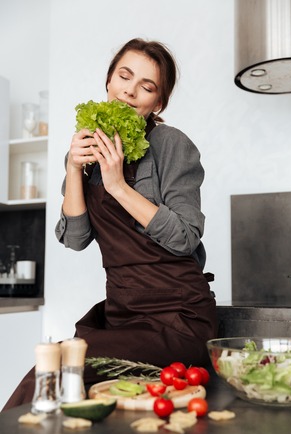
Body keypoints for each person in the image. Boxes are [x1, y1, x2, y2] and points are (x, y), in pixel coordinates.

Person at [2, 38, 217, 410]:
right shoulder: (87, 150)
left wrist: (117, 185)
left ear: (158, 103)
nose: (131, 91)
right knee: (64, 379)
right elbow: (75, 237)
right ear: (109, 81)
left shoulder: (172, 145)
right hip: (122, 312)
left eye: (147, 87)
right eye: (124, 76)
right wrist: (72, 168)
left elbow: (184, 237)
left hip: (178, 317)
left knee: (54, 370)